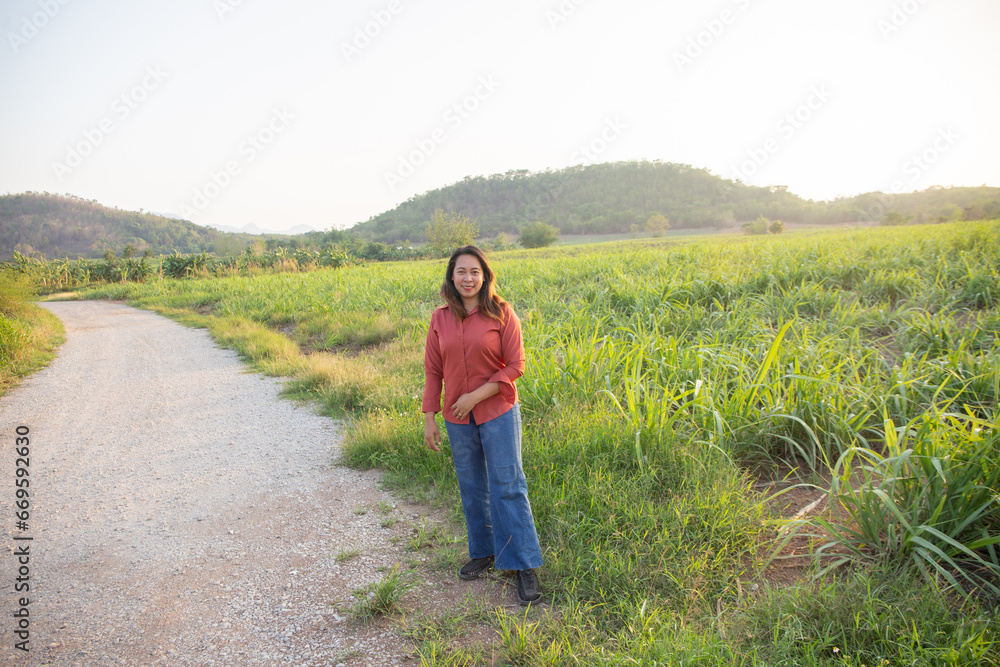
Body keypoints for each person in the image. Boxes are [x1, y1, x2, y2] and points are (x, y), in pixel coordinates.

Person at [422, 245, 543, 605]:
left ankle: (522, 565)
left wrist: (476, 396)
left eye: (475, 271)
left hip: (498, 411)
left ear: (485, 275)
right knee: (472, 486)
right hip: (456, 418)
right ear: (451, 276)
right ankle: (484, 552)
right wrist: (429, 417)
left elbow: (516, 365)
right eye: (461, 271)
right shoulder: (440, 318)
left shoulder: (503, 314)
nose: (468, 278)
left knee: (508, 485)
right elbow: (433, 369)